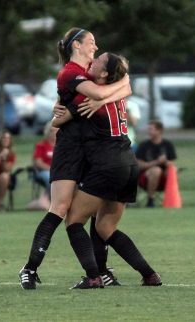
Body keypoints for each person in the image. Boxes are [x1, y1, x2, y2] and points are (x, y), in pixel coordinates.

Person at [19, 27, 131, 290]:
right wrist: (96, 101)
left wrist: (95, 102)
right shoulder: (70, 73)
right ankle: (29, 268)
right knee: (59, 208)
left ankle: (100, 271)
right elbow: (111, 90)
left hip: (93, 151)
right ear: (76, 46)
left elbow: (127, 84)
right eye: (91, 41)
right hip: (70, 150)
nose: (96, 45)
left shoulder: (95, 67)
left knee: (90, 214)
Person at [54, 52, 161, 289]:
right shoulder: (118, 94)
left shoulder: (87, 96)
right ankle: (149, 274)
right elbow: (123, 84)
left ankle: (93, 277)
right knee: (105, 228)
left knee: (73, 221)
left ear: (103, 74)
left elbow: (57, 122)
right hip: (129, 164)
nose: (92, 61)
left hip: (108, 166)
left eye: (98, 61)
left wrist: (62, 103)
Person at [135, 120, 177, 208]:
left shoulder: (167, 145)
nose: (148, 131)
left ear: (160, 131)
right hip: (144, 179)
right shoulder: (144, 145)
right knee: (156, 170)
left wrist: (165, 162)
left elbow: (171, 163)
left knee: (172, 170)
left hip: (164, 180)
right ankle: (150, 200)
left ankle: (172, 201)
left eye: (151, 129)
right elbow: (139, 165)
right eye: (148, 129)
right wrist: (157, 162)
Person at [27, 122, 58, 210]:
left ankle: (45, 200)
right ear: (47, 132)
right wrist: (52, 169)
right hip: (43, 171)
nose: (54, 133)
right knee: (50, 177)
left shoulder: (61, 145)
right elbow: (38, 162)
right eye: (51, 131)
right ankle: (48, 200)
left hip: (59, 171)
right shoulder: (41, 145)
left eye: (56, 130)